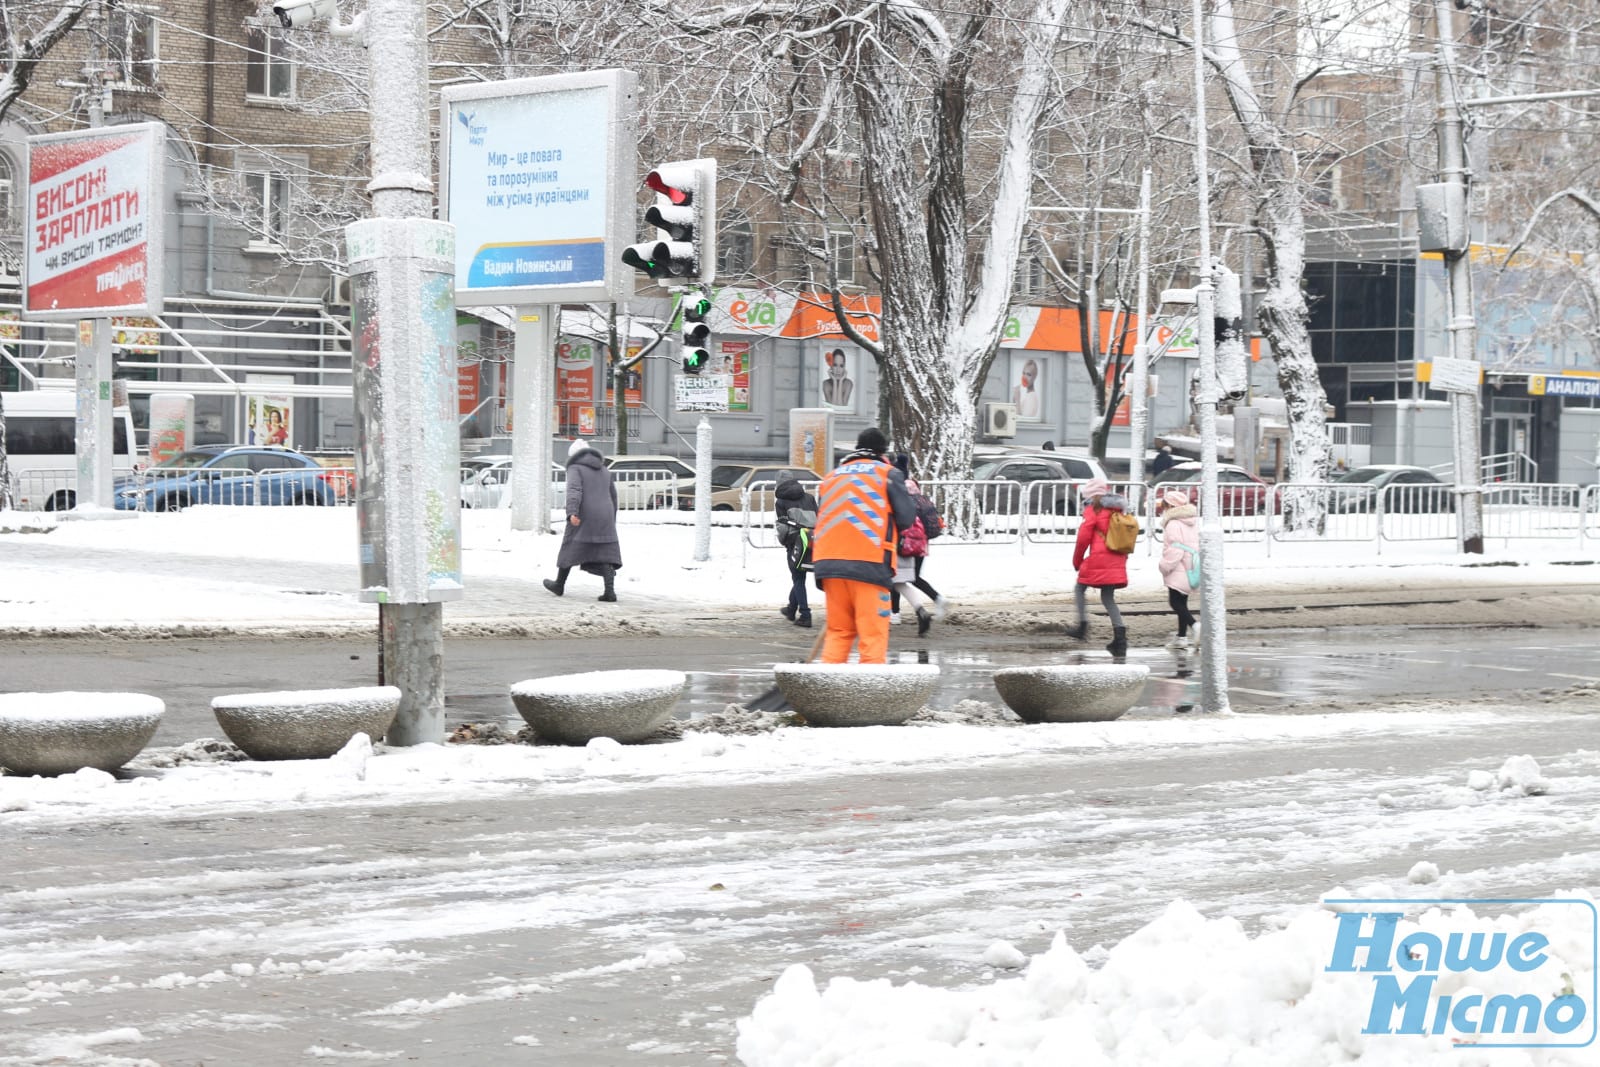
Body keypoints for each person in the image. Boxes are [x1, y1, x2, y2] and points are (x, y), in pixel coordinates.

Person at [812, 426, 916, 663]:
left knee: (839, 632)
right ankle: (867, 694)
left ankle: (828, 692)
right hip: (869, 562)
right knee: (872, 635)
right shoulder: (887, 474)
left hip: (829, 564)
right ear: (883, 452)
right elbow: (907, 517)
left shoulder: (832, 477)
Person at [543, 438, 623, 602]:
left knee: (570, 546)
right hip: (605, 514)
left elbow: (574, 490)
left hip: (584, 512)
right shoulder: (605, 470)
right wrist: (611, 517)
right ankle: (610, 591)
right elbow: (613, 496)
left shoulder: (575, 468)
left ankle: (559, 584)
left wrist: (572, 512)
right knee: (604, 551)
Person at [1067, 478, 1132, 657]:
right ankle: (1120, 640)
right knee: (1108, 597)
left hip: (1099, 559)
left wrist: (1077, 560)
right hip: (1118, 558)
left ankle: (1082, 626)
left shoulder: (1093, 510)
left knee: (1080, 588)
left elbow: (1083, 538)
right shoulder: (1118, 509)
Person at [1157, 489, 1200, 650]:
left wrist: (1164, 566)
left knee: (1174, 602)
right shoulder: (1191, 520)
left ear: (1170, 506)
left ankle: (1195, 625)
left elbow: (1175, 549)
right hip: (1190, 566)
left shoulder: (1173, 523)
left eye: (1164, 504)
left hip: (1178, 566)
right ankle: (1181, 637)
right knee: (1182, 602)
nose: (1163, 508)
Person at [774, 475, 818, 629]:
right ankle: (791, 609)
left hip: (795, 539)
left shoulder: (781, 501)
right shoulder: (810, 498)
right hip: (812, 538)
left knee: (798, 577)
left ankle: (805, 615)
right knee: (800, 574)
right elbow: (818, 518)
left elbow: (783, 526)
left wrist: (785, 542)